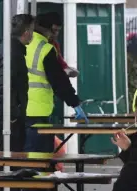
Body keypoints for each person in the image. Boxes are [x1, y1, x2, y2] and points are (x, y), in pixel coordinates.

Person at [0, 14, 34, 191]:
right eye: (32, 29)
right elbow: (4, 87)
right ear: (26, 33)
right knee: (8, 157)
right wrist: (13, 114)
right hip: (4, 114)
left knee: (8, 157)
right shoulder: (13, 52)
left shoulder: (8, 48)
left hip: (1, 111)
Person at [24, 12, 88, 153]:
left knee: (24, 153)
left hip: (18, 109)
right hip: (38, 110)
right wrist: (75, 103)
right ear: (47, 28)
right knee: (40, 154)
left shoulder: (23, 44)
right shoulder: (45, 49)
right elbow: (59, 81)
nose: (57, 34)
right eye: (56, 30)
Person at [46, 13, 79, 78]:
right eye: (54, 30)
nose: (56, 33)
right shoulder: (38, 43)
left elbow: (59, 59)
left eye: (58, 31)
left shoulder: (54, 44)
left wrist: (67, 68)